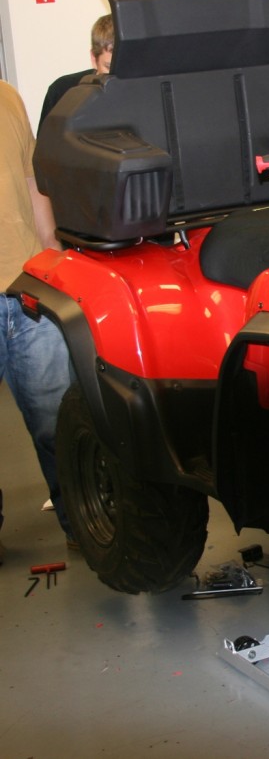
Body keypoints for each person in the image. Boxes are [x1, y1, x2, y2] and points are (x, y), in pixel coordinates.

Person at [1, 80, 75, 559]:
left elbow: (32, 183)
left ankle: (82, 521)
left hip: (25, 287)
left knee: (58, 421)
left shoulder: (7, 96)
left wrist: (54, 255)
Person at [37, 14, 114, 132]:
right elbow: (46, 147)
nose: (116, 74)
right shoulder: (62, 91)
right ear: (94, 58)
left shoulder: (144, 94)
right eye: (108, 67)